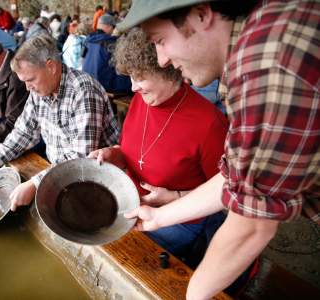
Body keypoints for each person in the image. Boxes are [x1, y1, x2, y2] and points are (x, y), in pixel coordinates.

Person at [117, 1, 320, 299]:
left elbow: (253, 225)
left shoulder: (265, 69)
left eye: (161, 41)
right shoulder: (254, 39)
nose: (160, 60)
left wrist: (194, 294)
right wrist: (160, 217)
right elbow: (237, 175)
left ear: (201, 14)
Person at [88, 27, 228, 267]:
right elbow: (135, 153)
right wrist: (113, 154)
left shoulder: (210, 124)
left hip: (181, 219)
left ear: (168, 69)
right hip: (131, 203)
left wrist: (174, 197)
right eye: (130, 76)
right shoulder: (141, 101)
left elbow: (225, 192)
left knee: (125, 258)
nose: (132, 87)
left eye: (139, 77)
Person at [0, 34, 119, 211]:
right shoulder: (38, 92)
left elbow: (81, 158)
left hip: (96, 180)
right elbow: (22, 133)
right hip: (60, 173)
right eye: (23, 81)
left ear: (51, 67)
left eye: (30, 80)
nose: (27, 88)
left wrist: (35, 183)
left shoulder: (84, 91)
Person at [82, 14, 131, 94]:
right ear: (108, 26)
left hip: (88, 81)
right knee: (134, 80)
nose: (113, 30)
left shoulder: (87, 40)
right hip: (104, 84)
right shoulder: (110, 42)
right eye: (113, 27)